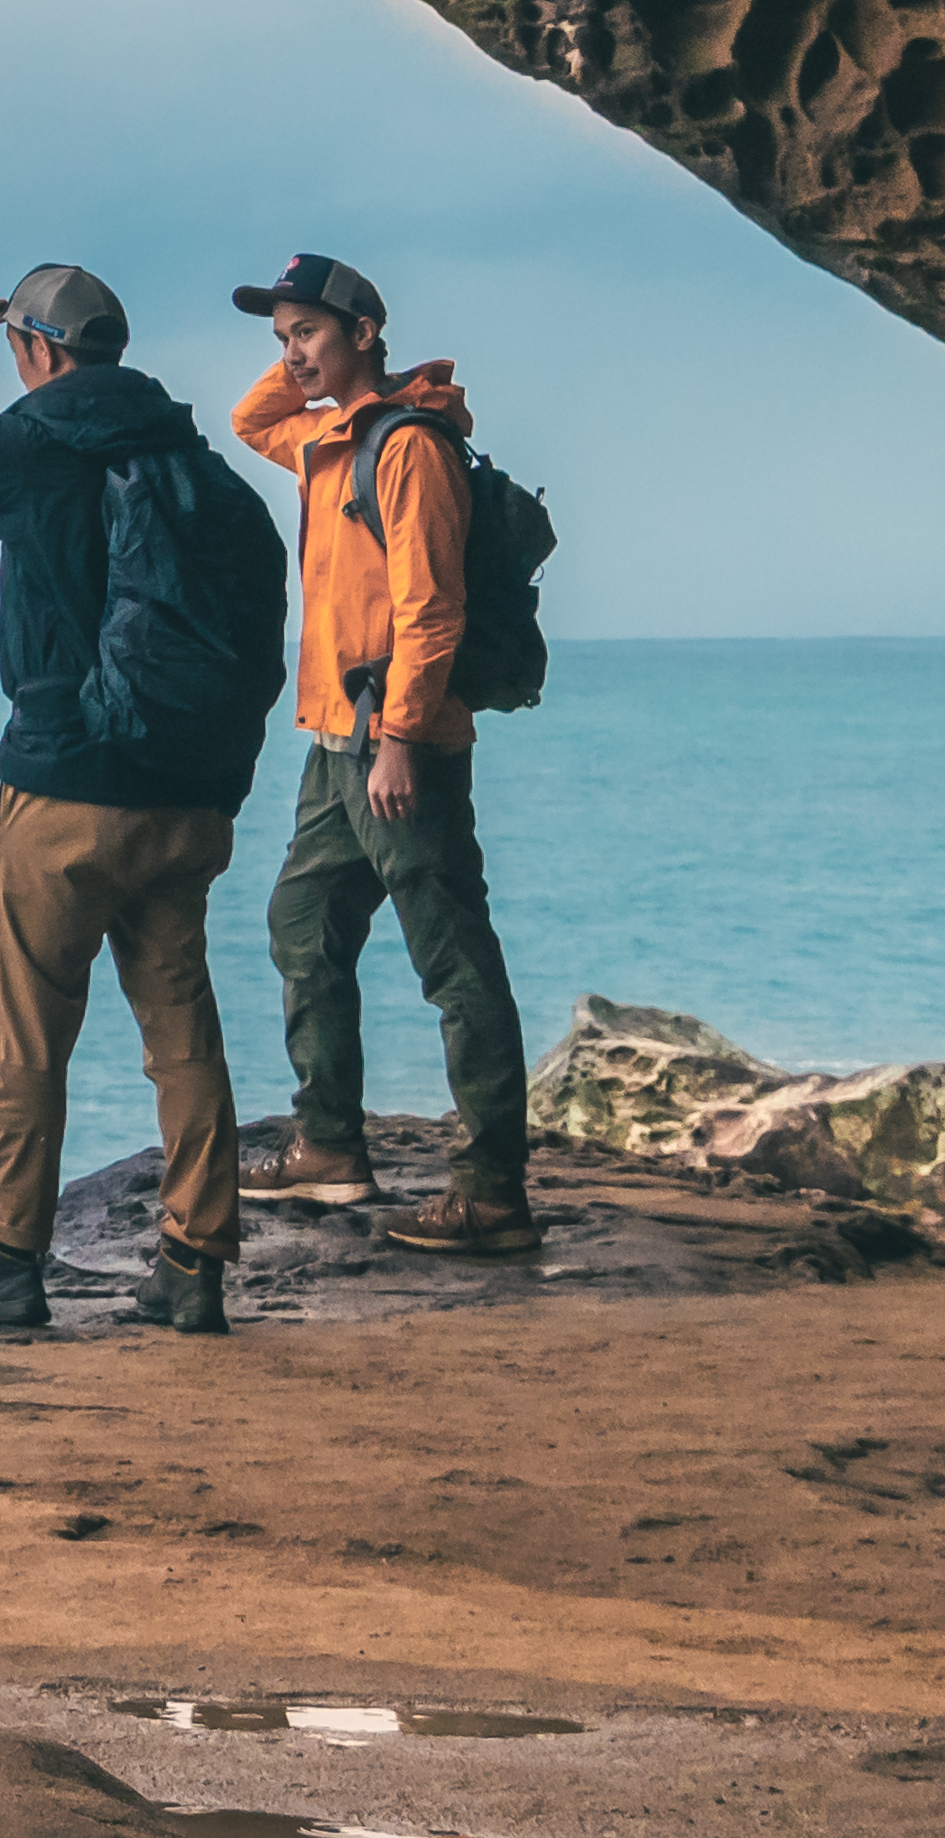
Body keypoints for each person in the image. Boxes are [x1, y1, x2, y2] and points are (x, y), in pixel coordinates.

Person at [0, 261, 271, 1336]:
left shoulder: (33, 452)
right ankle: (193, 1262)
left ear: (35, 350)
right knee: (183, 1030)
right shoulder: (205, 474)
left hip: (67, 790)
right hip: (190, 800)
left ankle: (4, 1259)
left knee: (23, 1033)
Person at [230, 248, 535, 1254]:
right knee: (302, 924)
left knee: (453, 962)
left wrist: (400, 737)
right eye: (282, 340)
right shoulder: (330, 439)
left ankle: (491, 1194)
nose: (293, 356)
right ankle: (329, 1151)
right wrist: (304, 349)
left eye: (309, 334)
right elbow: (252, 421)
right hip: (334, 747)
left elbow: (431, 611)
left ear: (366, 330)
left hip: (398, 747)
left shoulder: (406, 449)